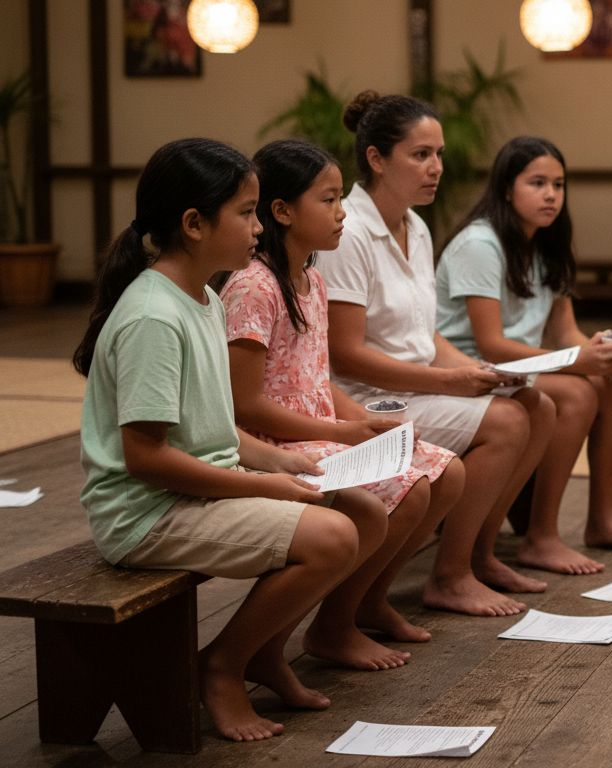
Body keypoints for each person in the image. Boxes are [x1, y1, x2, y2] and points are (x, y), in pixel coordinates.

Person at [73, 138, 362, 741]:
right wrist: (263, 484)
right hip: (147, 513)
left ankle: (264, 650)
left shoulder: (202, 295)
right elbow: (146, 458)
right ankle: (223, 667)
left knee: (356, 502)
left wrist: (282, 460)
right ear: (194, 223)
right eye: (247, 212)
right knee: (334, 535)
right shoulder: (155, 315)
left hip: (192, 491)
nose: (258, 227)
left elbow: (212, 427)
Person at [219, 138, 466, 669]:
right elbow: (243, 405)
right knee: (411, 486)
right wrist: (340, 433)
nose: (342, 213)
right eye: (328, 201)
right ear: (282, 211)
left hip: (316, 431)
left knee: (448, 472)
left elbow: (313, 377)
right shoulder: (253, 288)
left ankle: (367, 604)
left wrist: (367, 421)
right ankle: (334, 624)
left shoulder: (310, 278)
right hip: (273, 445)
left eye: (340, 199)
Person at [317, 91, 555, 615]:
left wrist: (473, 369)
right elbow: (345, 355)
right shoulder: (349, 231)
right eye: (420, 154)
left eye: (439, 154)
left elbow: (426, 338)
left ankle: (480, 552)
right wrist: (450, 382)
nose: (436, 168)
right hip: (368, 398)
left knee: (537, 403)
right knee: (508, 423)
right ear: (377, 159)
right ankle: (449, 574)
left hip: (414, 384)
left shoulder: (416, 226)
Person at [436, 136, 612, 577]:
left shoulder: (548, 244)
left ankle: (602, 521)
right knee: (577, 393)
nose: (551, 194)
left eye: (558, 184)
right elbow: (492, 344)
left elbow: (565, 332)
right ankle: (541, 536)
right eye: (537, 183)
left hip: (521, 368)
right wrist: (581, 360)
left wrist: (604, 354)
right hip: (472, 368)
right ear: (505, 188)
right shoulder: (480, 244)